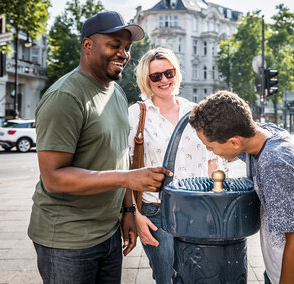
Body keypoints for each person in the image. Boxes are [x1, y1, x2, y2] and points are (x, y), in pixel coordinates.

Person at [27, 11, 173, 284]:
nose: (123, 54)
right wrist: (129, 179)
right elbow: (53, 177)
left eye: (127, 48)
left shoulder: (115, 92)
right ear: (87, 45)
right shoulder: (65, 96)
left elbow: (119, 158)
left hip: (107, 234)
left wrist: (129, 210)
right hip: (67, 241)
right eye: (114, 45)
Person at [189, 91, 294, 284]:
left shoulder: (274, 163)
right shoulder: (265, 135)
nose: (211, 151)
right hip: (283, 267)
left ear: (235, 142)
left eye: (210, 146)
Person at [129, 47, 217, 284]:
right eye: (155, 76)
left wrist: (216, 206)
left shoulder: (196, 112)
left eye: (168, 73)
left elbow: (212, 160)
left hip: (200, 210)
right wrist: (134, 215)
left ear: (177, 73)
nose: (164, 80)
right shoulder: (136, 114)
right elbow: (124, 169)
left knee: (200, 277)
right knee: (167, 278)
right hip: (157, 212)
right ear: (146, 80)